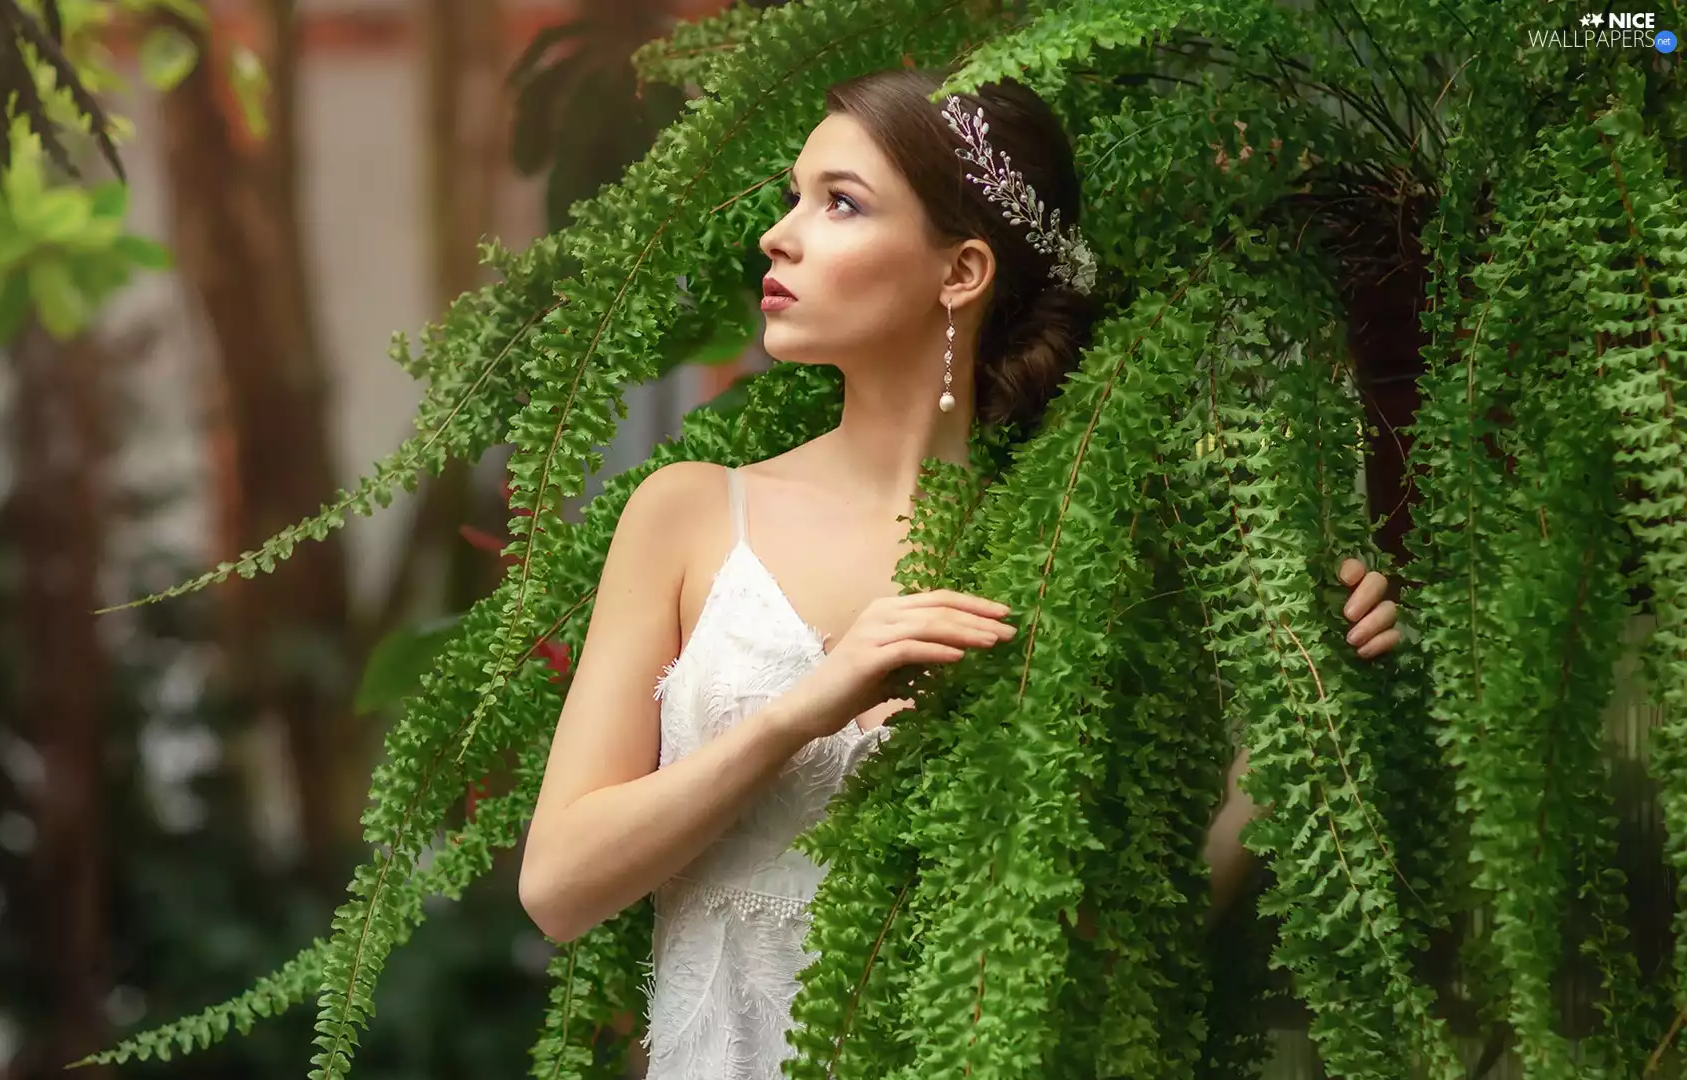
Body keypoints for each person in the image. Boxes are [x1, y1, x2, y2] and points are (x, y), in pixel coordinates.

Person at [517, 67, 1404, 1080]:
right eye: (792, 196)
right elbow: (559, 885)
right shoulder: (685, 515)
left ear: (961, 271)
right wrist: (801, 711)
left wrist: (1302, 714)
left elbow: (1134, 942)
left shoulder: (1078, 558)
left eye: (839, 203)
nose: (780, 234)